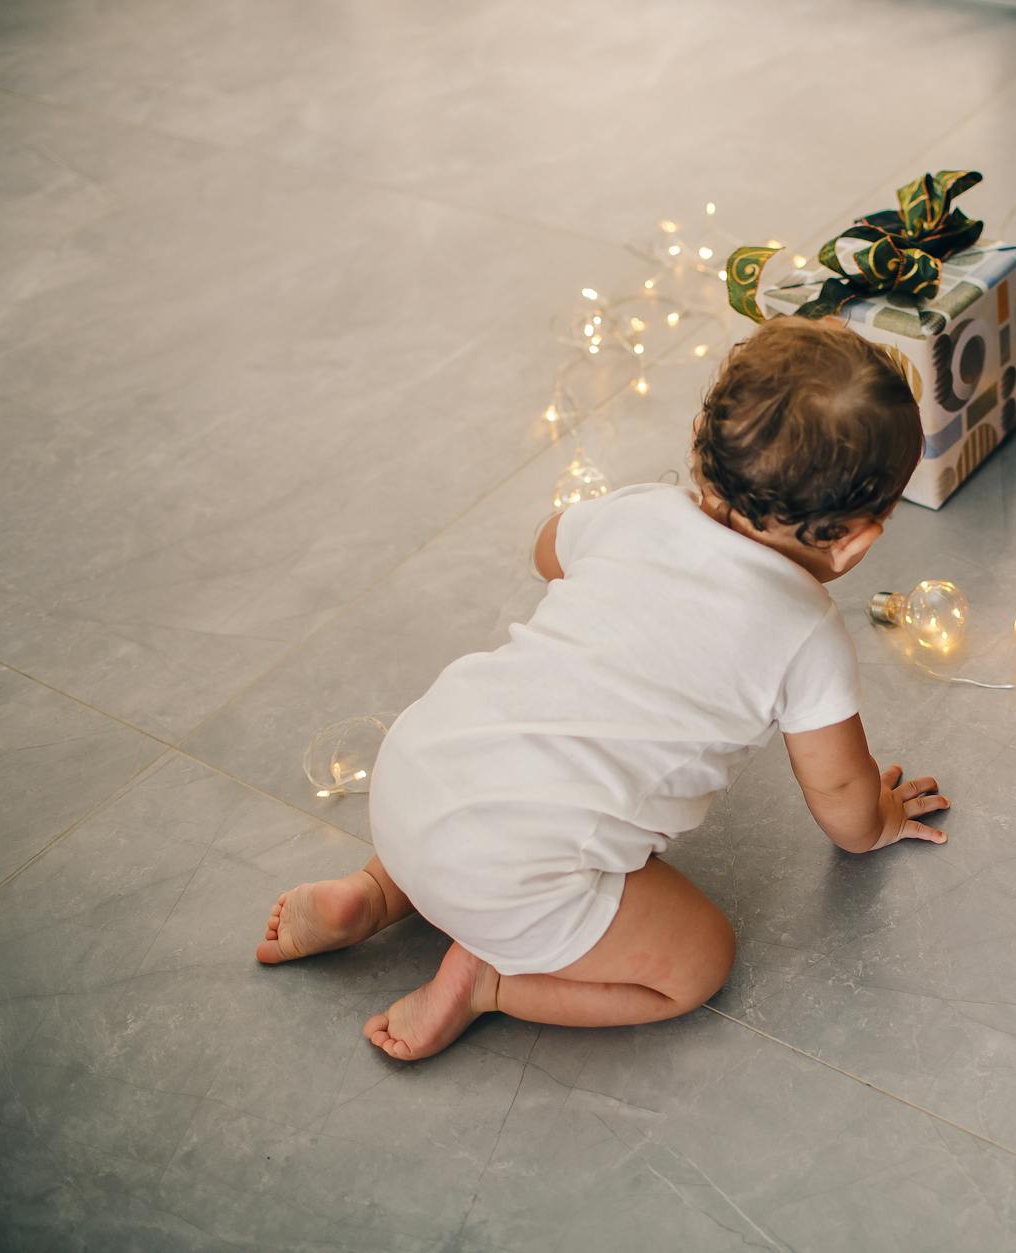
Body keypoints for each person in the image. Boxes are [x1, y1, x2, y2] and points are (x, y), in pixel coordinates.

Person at [256, 316, 951, 1061]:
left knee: (485, 800)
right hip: (517, 877)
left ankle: (375, 892)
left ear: (698, 449)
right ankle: (488, 981)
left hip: (410, 779)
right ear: (855, 539)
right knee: (698, 962)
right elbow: (844, 801)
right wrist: (876, 821)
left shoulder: (638, 511)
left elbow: (546, 549)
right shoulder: (806, 634)